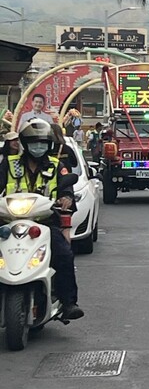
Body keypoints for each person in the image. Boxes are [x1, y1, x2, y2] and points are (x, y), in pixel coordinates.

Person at [0, 119, 84, 320]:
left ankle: (68, 302)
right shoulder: (9, 164)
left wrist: (66, 198)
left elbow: (66, 187)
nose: (38, 147)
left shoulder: (57, 166)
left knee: (64, 255)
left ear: (48, 145)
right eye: (33, 142)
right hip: (8, 222)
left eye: (42, 143)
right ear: (24, 143)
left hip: (45, 222)